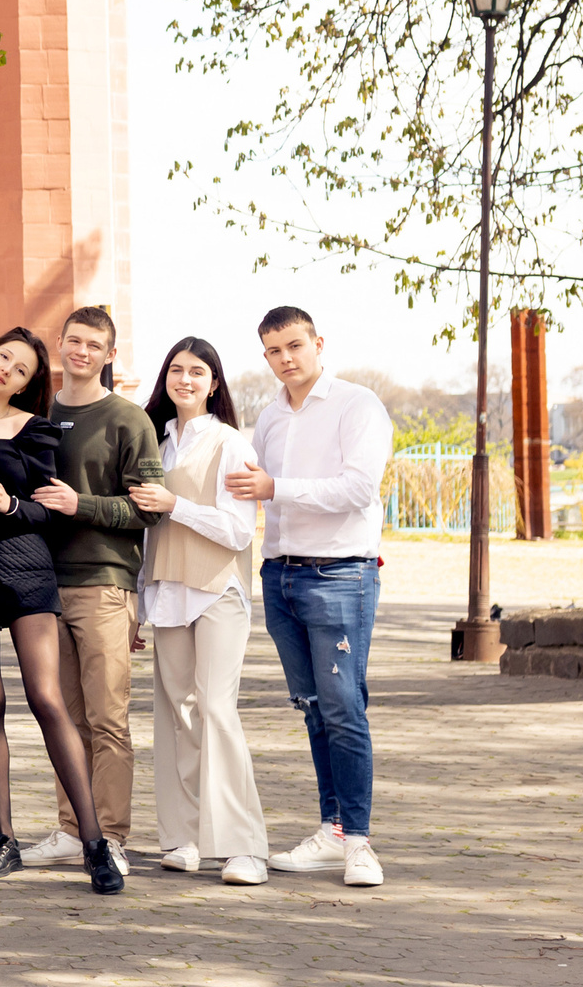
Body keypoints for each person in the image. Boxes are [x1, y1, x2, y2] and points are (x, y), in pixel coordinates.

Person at [0, 328, 122, 895]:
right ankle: (4, 839)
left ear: (29, 384)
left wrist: (11, 503)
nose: (7, 370)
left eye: (22, 369)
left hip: (24, 565)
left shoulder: (34, 429)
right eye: (3, 356)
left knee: (47, 698)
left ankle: (95, 843)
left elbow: (51, 512)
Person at [234, 306, 394, 889]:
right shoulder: (270, 418)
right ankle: (331, 830)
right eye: (274, 351)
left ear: (318, 343)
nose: (286, 359)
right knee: (312, 708)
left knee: (344, 707)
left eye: (295, 346)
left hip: (340, 574)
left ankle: (359, 841)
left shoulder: (357, 405)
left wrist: (277, 488)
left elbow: (359, 489)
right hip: (280, 576)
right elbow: (258, 501)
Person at [22, 305, 163, 873]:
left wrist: (81, 505)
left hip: (104, 584)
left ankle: (111, 836)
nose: (80, 351)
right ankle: (69, 828)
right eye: (72, 340)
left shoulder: (129, 419)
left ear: (108, 355)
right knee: (62, 717)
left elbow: (148, 509)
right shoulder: (35, 413)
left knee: (107, 719)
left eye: (93, 345)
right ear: (59, 343)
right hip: (41, 588)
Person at [133, 337, 269, 885]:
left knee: (215, 710)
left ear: (214, 383)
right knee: (176, 716)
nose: (184, 379)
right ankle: (183, 837)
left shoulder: (230, 443)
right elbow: (147, 534)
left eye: (197, 371)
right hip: (167, 591)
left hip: (217, 592)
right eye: (175, 369)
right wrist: (140, 602)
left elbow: (238, 528)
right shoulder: (154, 440)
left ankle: (242, 846)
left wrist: (176, 504)